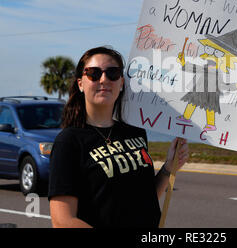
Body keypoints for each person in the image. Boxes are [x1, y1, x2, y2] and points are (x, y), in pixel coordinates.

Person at [48, 46, 189, 228]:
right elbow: (62, 221)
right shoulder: (69, 141)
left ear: (121, 83)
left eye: (113, 73)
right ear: (80, 84)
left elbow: (145, 199)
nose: (104, 79)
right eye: (93, 73)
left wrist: (168, 168)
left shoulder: (136, 133)